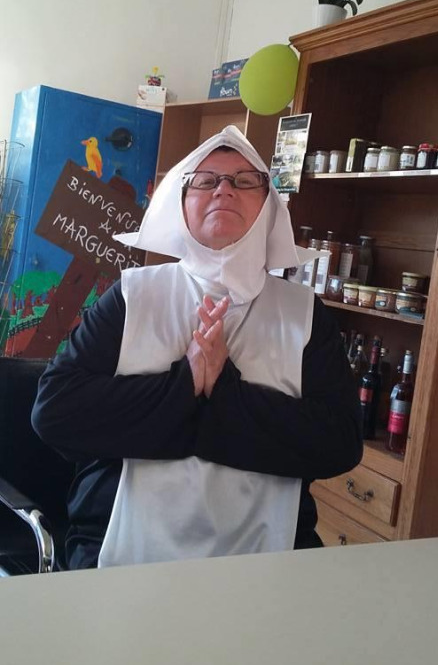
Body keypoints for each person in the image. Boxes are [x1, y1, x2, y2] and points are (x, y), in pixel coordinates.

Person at [32, 125, 362, 569]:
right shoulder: (132, 296)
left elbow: (340, 443)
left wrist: (222, 391)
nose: (224, 189)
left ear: (269, 207)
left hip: (270, 558)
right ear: (180, 205)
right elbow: (54, 412)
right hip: (121, 550)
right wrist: (186, 383)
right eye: (205, 181)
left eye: (244, 181)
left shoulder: (304, 314)